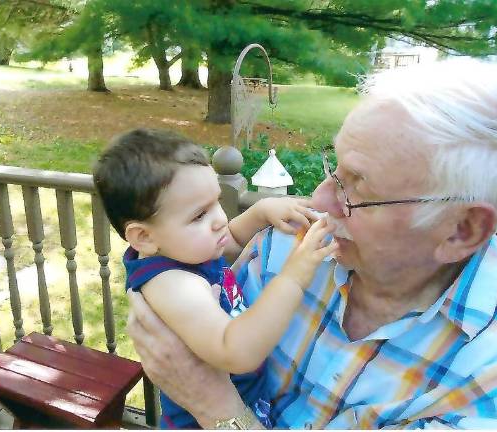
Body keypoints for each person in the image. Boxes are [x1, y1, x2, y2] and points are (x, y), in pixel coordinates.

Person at [126, 58, 497, 429]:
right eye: (335, 167)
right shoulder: (284, 246)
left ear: (461, 230)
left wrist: (213, 406)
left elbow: (198, 377)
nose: (318, 201)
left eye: (357, 187)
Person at [92, 128, 338, 428]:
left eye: (216, 202)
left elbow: (232, 237)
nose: (220, 219)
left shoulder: (185, 250)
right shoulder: (171, 284)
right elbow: (236, 351)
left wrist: (260, 211)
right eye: (199, 215)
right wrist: (293, 277)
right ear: (143, 237)